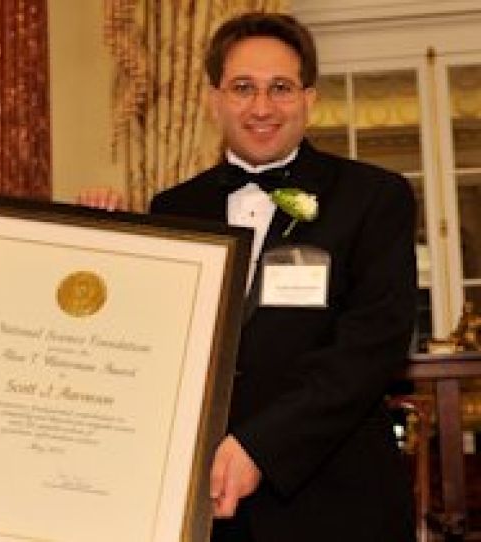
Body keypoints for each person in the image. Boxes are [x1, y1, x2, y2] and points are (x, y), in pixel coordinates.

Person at [147, 12, 417, 541]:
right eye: (243, 87)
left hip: (337, 502)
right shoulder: (173, 207)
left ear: (310, 100)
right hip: (207, 504)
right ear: (213, 99)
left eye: (281, 88)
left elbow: (372, 346)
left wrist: (260, 446)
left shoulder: (374, 196)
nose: (262, 107)